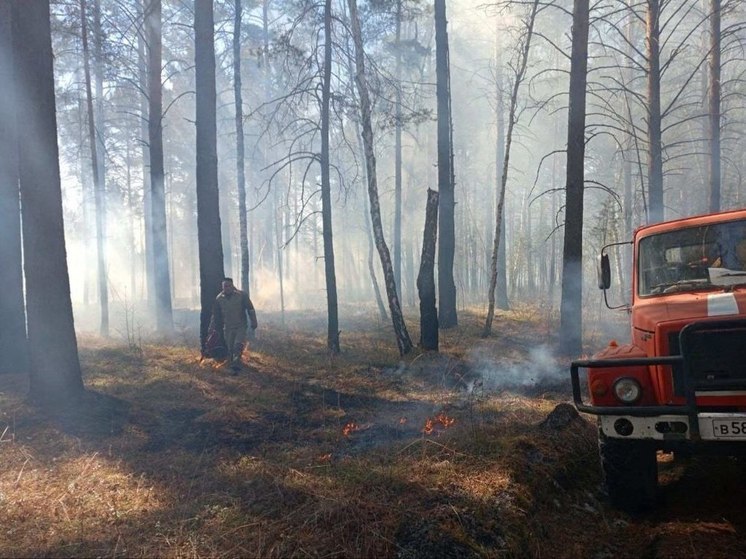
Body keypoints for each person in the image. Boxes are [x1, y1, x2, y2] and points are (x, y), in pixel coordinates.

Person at [211, 277, 257, 371]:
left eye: (228, 286)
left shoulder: (242, 295)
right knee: (230, 348)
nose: (226, 288)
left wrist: (254, 321)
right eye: (224, 286)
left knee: (238, 345)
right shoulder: (219, 298)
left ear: (232, 286)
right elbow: (215, 315)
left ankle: (237, 363)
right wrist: (212, 328)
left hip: (241, 326)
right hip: (227, 327)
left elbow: (250, 309)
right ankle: (232, 365)